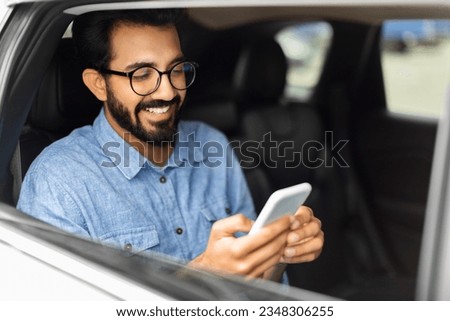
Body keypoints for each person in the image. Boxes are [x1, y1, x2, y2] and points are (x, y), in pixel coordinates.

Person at [17, 9, 323, 280]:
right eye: (142, 74)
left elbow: (257, 286)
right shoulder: (59, 181)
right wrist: (203, 274)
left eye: (175, 69)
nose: (167, 91)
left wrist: (279, 255)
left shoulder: (210, 144)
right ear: (98, 84)